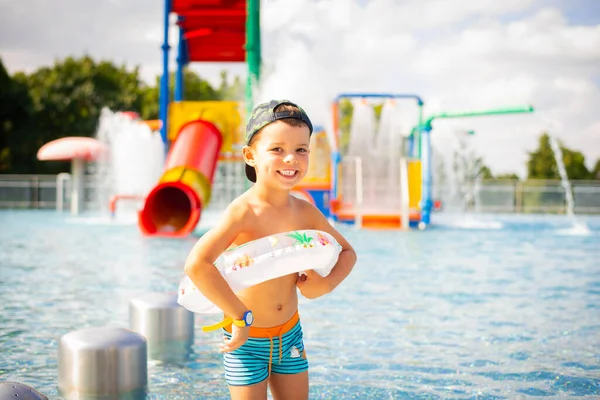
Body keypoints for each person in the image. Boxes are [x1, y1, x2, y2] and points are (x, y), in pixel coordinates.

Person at [184, 99, 357, 400]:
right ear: (250, 156)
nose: (291, 158)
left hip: (289, 334)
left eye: (300, 149)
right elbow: (198, 265)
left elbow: (347, 252)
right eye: (277, 149)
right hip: (246, 341)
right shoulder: (243, 212)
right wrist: (239, 316)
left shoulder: (306, 212)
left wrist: (326, 283)